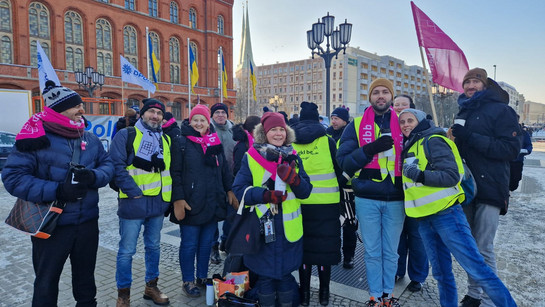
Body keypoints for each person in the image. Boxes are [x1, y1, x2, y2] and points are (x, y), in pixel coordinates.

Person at [2, 81, 114, 307]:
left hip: (87, 223)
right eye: (76, 106)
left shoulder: (89, 138)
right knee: (46, 282)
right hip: (51, 224)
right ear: (58, 110)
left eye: (81, 105)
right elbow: (13, 178)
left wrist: (93, 177)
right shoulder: (35, 137)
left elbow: (108, 166)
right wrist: (58, 190)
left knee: (86, 282)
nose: (82, 110)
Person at [398, 108, 517, 307]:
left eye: (410, 120)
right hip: (425, 218)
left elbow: (452, 175)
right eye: (402, 122)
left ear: (420, 121)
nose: (406, 125)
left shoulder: (433, 140)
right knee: (441, 274)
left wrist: (420, 175)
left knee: (477, 268)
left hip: (447, 215)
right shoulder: (412, 144)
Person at [450, 68, 521, 307]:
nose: (470, 86)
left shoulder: (502, 111)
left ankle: (491, 299)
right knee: (471, 246)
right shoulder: (463, 110)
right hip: (467, 188)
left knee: (483, 246)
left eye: (475, 82)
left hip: (491, 188)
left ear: (485, 85)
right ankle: (474, 293)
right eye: (467, 82)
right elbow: (461, 149)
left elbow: (509, 150)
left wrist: (468, 136)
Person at [232, 112, 312, 307]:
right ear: (264, 133)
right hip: (262, 230)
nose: (278, 134)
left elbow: (306, 191)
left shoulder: (294, 156)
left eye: (281, 129)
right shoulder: (250, 157)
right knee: (266, 279)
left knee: (285, 278)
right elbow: (239, 189)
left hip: (288, 231)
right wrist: (264, 195)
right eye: (273, 130)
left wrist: (295, 179)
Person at [337, 78, 404, 306]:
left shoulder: (404, 123)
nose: (381, 96)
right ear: (370, 97)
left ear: (391, 96)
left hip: (397, 197)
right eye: (376, 92)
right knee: (373, 252)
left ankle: (388, 294)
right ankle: (375, 295)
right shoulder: (355, 125)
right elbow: (344, 162)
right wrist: (369, 148)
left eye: (385, 92)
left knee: (391, 252)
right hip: (367, 196)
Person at [110, 98, 175, 307]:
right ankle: (123, 295)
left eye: (159, 113)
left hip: (157, 203)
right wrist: (134, 192)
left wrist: (167, 200)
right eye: (151, 112)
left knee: (154, 247)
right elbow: (116, 166)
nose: (155, 116)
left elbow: (167, 172)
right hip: (133, 202)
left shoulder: (165, 140)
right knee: (127, 251)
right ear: (143, 114)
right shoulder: (126, 135)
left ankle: (151, 286)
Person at [170, 104, 238, 297]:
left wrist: (229, 189)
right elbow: (174, 173)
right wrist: (178, 199)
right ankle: (188, 280)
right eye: (195, 120)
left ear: (208, 122)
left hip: (213, 201)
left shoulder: (213, 141)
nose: (199, 123)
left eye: (202, 120)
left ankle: (201, 277)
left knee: (206, 243)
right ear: (190, 121)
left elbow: (223, 169)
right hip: (191, 202)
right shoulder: (181, 142)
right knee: (189, 244)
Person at [292, 102, 341, 306]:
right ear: (318, 118)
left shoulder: (291, 140)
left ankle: (303, 294)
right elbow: (339, 169)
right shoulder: (327, 141)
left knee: (304, 248)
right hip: (327, 203)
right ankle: (324, 293)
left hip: (299, 202)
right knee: (324, 249)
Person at [392, 95, 429, 292]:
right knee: (398, 237)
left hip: (419, 197)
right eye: (396, 105)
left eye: (403, 105)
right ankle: (397, 271)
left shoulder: (425, 136)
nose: (399, 108)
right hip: (397, 194)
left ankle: (417, 276)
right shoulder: (390, 131)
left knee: (417, 238)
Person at [327, 106, 359, 270]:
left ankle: (349, 257)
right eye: (332, 118)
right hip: (331, 187)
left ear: (345, 120)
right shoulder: (326, 135)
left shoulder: (351, 135)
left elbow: (354, 161)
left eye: (337, 118)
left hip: (347, 187)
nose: (334, 121)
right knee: (333, 223)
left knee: (349, 225)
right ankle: (334, 255)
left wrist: (343, 178)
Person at [210, 103, 237, 262]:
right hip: (213, 179)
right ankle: (213, 246)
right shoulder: (208, 130)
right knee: (213, 215)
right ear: (212, 115)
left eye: (223, 112)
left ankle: (225, 241)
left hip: (231, 179)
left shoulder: (233, 129)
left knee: (230, 212)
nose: (220, 115)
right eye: (217, 112)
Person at [509, 122, 532, 191]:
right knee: (505, 179)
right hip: (506, 161)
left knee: (515, 180)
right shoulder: (506, 131)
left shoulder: (524, 134)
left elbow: (529, 145)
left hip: (517, 161)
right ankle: (506, 194)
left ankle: (510, 189)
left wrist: (527, 150)